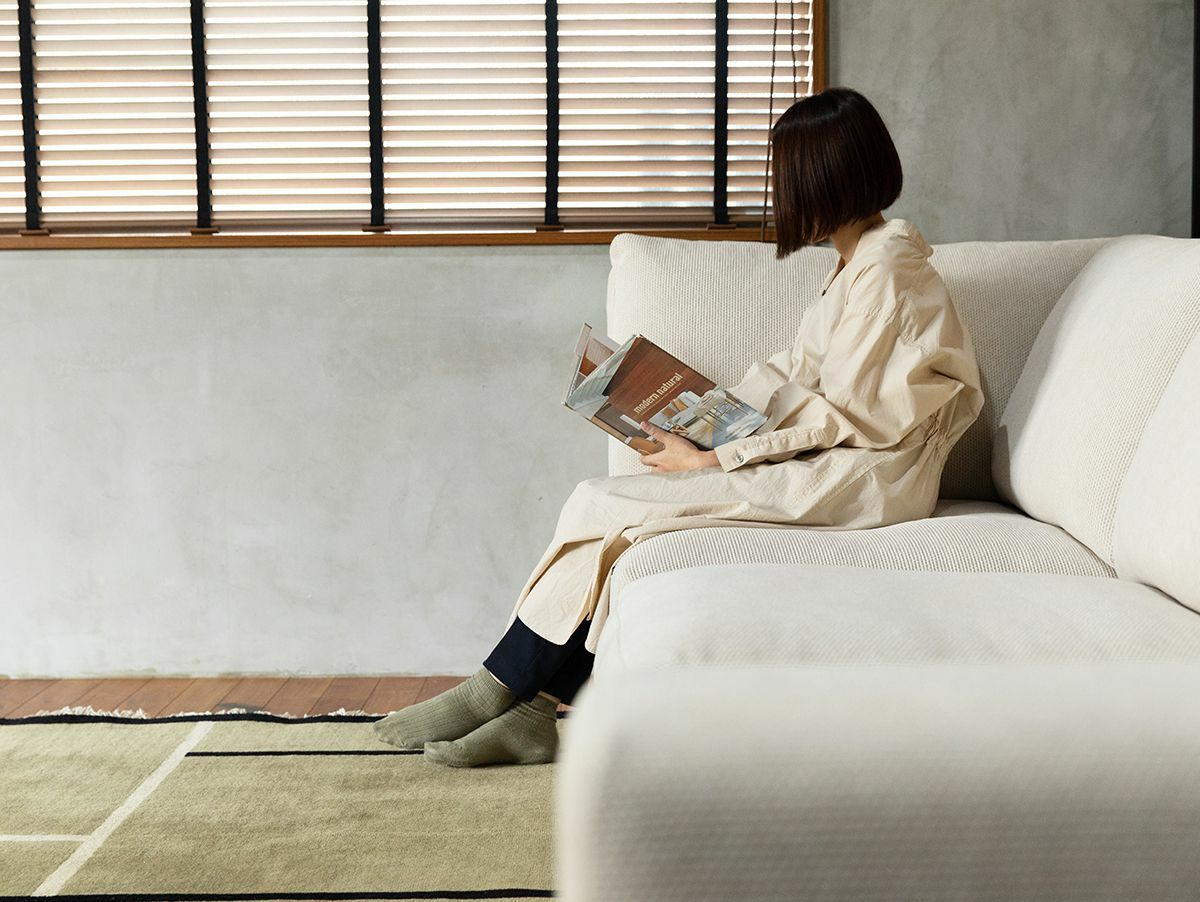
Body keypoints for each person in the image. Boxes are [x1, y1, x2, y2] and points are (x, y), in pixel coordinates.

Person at [372, 86, 985, 767]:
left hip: (871, 475)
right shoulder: (857, 262)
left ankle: (494, 689)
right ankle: (533, 712)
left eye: (787, 179)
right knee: (624, 523)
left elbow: (846, 414)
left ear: (826, 180)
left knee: (601, 501)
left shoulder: (886, 270)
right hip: (840, 458)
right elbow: (797, 370)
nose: (779, 195)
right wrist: (708, 412)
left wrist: (715, 460)